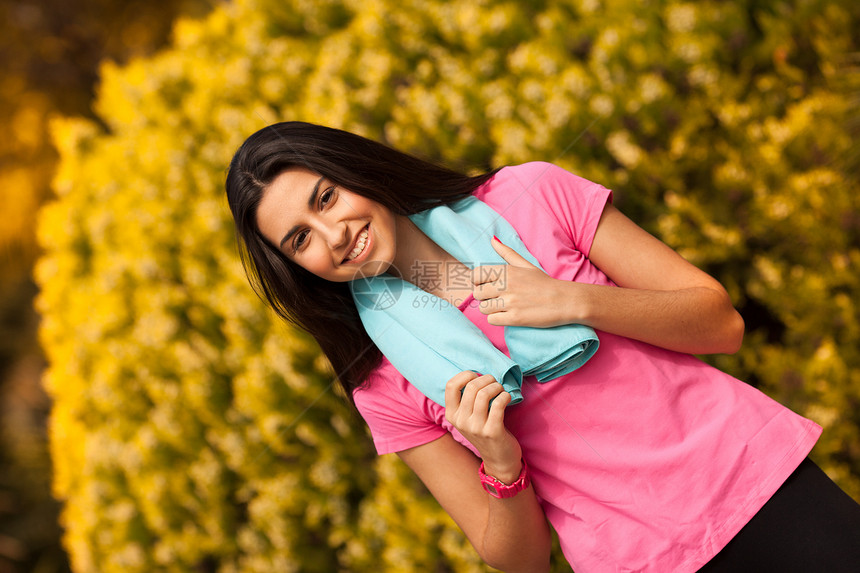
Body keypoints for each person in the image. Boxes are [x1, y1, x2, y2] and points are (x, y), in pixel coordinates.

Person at [225, 121, 860, 572]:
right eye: (300, 240)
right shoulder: (382, 383)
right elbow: (518, 561)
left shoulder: (529, 196)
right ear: (297, 268)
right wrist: (501, 463)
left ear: (355, 172)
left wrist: (573, 300)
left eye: (327, 198)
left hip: (755, 481)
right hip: (634, 560)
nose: (333, 235)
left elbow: (721, 323)